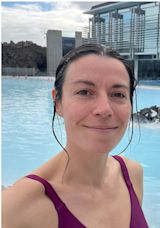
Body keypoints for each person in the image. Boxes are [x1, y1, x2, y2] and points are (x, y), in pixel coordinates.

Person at [2, 44, 148, 228]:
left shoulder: (132, 174)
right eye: (84, 92)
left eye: (118, 94)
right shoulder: (16, 208)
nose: (104, 109)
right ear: (58, 103)